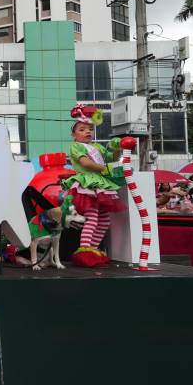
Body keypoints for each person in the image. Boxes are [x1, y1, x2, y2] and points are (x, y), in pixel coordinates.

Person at [62, 105, 125, 267]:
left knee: (104, 220)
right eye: (82, 129)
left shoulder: (97, 147)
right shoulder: (76, 146)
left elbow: (111, 157)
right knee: (93, 217)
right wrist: (104, 169)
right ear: (73, 135)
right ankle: (84, 250)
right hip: (87, 184)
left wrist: (117, 147)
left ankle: (93, 250)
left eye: (90, 129)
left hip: (101, 184)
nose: (87, 132)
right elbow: (85, 162)